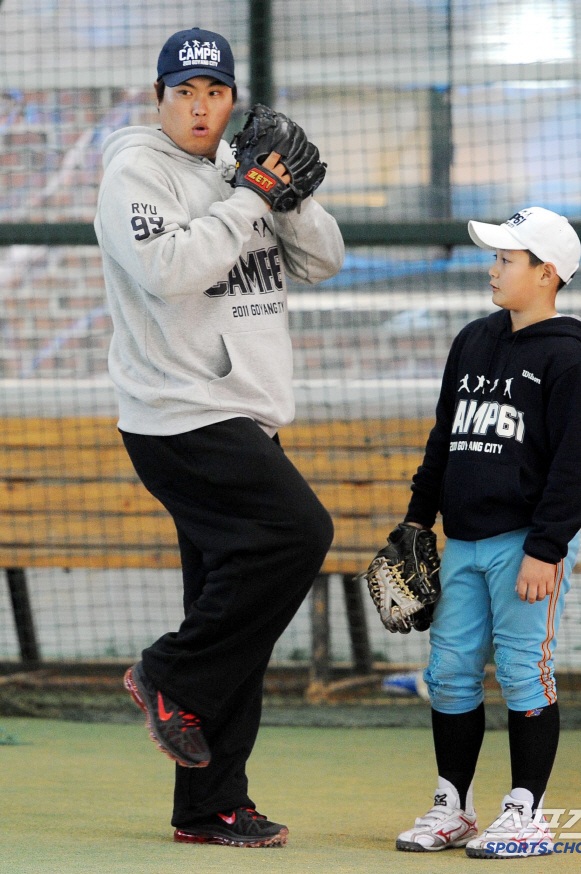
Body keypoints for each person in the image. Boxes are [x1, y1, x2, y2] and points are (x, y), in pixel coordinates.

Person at [94, 27, 344, 848]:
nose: (201, 108)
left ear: (233, 99)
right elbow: (169, 270)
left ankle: (209, 806)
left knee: (230, 609)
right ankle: (166, 673)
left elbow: (326, 259)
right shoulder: (135, 170)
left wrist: (286, 195)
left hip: (241, 416)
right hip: (179, 413)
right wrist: (247, 201)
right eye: (184, 92)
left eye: (216, 93)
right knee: (301, 533)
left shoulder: (241, 171)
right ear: (158, 97)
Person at [394, 207, 581, 859]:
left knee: (524, 672)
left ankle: (525, 813)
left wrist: (547, 546)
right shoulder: (472, 340)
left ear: (546, 274)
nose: (492, 269)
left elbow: (579, 465)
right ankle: (453, 806)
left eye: (506, 259)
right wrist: (416, 522)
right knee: (450, 671)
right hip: (460, 542)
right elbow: (446, 438)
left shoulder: (570, 359)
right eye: (494, 257)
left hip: (526, 546)